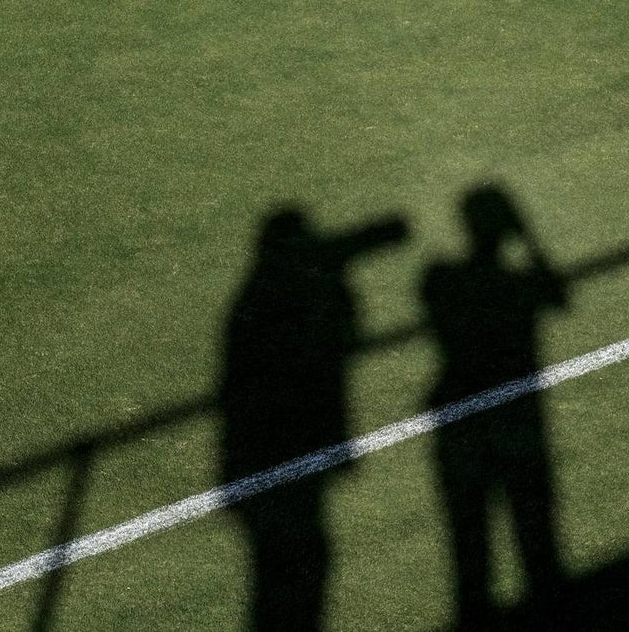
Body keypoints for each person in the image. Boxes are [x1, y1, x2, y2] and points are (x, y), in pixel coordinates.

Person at [220, 207, 407, 631]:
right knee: (298, 565)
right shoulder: (277, 301)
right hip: (284, 449)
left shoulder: (259, 296)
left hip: (275, 457)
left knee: (289, 569)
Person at [424, 186, 567, 629]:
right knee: (538, 552)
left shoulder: (441, 279)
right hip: (517, 427)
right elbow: (559, 294)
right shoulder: (519, 285)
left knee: (472, 563)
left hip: (463, 436)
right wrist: (527, 234)